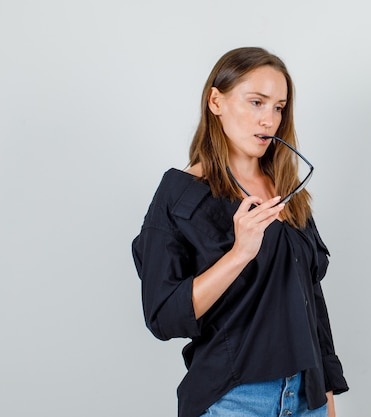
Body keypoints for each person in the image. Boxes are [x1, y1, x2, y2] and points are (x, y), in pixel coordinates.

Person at [131, 47, 349, 417]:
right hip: (233, 401)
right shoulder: (180, 195)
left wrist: (325, 392)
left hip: (304, 397)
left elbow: (310, 298)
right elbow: (164, 316)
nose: (269, 119)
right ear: (216, 101)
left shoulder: (286, 189)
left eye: (278, 107)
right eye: (256, 102)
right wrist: (240, 253)